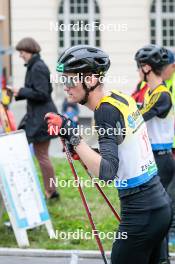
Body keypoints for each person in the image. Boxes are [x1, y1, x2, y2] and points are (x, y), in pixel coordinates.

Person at [45, 45, 171, 264]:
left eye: (70, 80)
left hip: (141, 211)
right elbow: (122, 151)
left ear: (91, 80)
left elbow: (107, 171)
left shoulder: (105, 112)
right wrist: (83, 152)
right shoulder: (119, 99)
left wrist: (73, 134)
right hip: (158, 205)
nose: (65, 87)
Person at [135, 44, 175, 263]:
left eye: (139, 67)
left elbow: (137, 120)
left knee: (157, 213)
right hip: (152, 158)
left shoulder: (162, 96)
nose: (138, 71)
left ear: (147, 68)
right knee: (151, 212)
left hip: (162, 158)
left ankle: (162, 258)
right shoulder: (150, 92)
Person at [14, 37, 59, 200]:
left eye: (22, 52)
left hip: (41, 118)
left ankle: (51, 191)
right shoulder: (35, 66)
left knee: (42, 156)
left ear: (30, 50)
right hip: (37, 116)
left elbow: (43, 93)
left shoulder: (37, 67)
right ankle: (48, 190)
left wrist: (22, 91)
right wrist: (20, 92)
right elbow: (41, 90)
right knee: (39, 155)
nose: (20, 55)